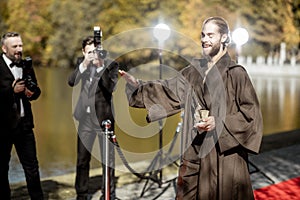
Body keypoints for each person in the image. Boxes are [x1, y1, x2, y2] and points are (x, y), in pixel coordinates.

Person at [120, 16, 263, 200]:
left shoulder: (236, 73)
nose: (204, 39)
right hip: (193, 153)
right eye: (203, 35)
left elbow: (252, 117)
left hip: (223, 160)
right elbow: (167, 90)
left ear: (224, 38)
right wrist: (137, 86)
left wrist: (219, 122)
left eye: (211, 35)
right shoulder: (193, 71)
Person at [68, 35, 119, 200]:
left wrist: (99, 66)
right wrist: (84, 63)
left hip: (104, 119)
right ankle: (81, 194)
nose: (93, 55)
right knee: (82, 159)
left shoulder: (111, 65)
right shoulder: (81, 63)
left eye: (96, 51)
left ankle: (108, 194)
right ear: (84, 52)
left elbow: (110, 88)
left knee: (107, 161)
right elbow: (71, 81)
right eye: (89, 52)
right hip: (85, 119)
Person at [0, 32, 43, 199]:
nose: (19, 49)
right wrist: (11, 91)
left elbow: (37, 90)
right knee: (2, 169)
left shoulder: (26, 65)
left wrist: (31, 92)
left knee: (32, 168)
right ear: (4, 48)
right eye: (15, 46)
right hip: (3, 127)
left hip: (25, 126)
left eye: (20, 45)